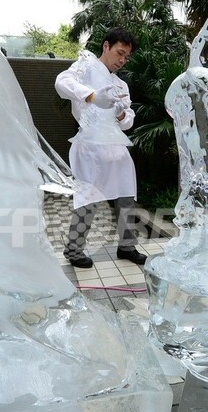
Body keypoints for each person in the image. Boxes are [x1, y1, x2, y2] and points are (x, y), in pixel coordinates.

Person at [55, 27, 147, 268]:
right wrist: (92, 96)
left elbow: (128, 121)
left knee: (127, 195)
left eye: (126, 57)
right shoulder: (85, 67)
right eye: (120, 53)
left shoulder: (121, 85)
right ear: (106, 46)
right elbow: (62, 82)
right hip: (90, 146)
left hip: (116, 147)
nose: (122, 60)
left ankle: (127, 246)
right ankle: (74, 250)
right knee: (88, 198)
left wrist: (121, 115)